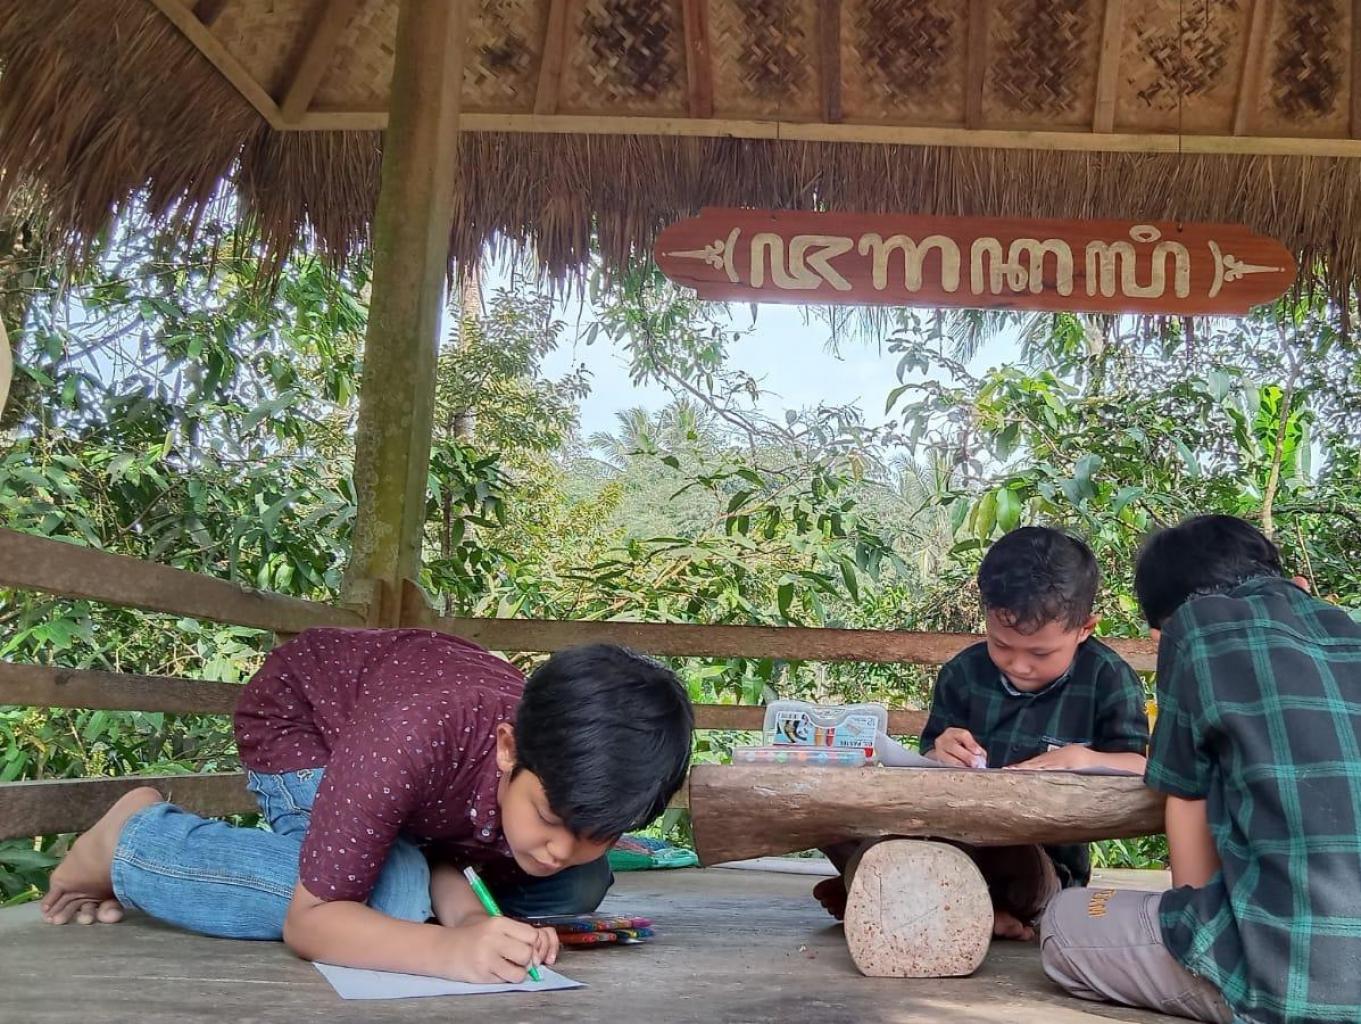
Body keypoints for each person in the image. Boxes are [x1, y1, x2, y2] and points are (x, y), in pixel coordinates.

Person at [41, 629, 693, 983]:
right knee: (395, 898)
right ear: (506, 749)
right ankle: (136, 840)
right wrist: (450, 951)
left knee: (576, 885)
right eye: (549, 819)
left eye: (598, 831)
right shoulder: (410, 735)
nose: (560, 847)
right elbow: (312, 923)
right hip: (308, 727)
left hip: (415, 783)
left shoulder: (547, 772)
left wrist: (471, 916)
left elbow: (450, 846)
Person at [1042, 515, 1361, 1023]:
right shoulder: (1347, 628)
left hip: (1293, 981)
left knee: (1065, 919)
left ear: (1163, 628)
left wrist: (1193, 926)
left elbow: (1186, 799)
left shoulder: (1195, 628)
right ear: (1293, 583)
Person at [814, 527, 1148, 940]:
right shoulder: (963, 673)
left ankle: (887, 893)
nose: (1019, 665)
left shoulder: (1108, 679)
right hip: (949, 838)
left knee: (1012, 853)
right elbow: (926, 763)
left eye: (1040, 653)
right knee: (828, 821)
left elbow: (1140, 767)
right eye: (1001, 645)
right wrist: (939, 753)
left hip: (1039, 860)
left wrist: (1085, 758)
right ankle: (913, 894)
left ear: (1085, 628)